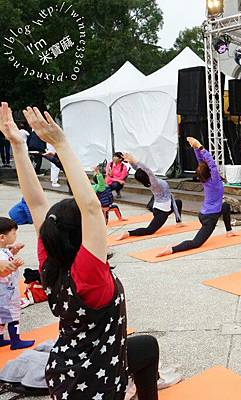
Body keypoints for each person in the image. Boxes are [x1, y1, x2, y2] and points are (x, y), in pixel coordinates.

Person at [0, 102, 160, 399]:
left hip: (66, 367)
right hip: (95, 383)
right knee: (145, 349)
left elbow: (35, 203)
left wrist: (18, 145)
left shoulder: (51, 261)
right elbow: (90, 207)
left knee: (147, 347)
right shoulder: (89, 275)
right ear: (82, 237)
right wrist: (60, 143)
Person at [157, 137, 238, 257]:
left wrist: (195, 148)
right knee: (196, 243)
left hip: (204, 214)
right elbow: (211, 163)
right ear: (209, 171)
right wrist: (200, 146)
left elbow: (202, 162)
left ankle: (229, 231)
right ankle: (172, 249)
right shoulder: (214, 180)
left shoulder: (205, 179)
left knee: (225, 206)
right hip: (210, 218)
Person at [115, 153, 183, 241]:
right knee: (150, 230)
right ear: (147, 175)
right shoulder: (154, 183)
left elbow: (139, 169)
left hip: (163, 206)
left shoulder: (148, 181)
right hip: (162, 211)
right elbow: (146, 169)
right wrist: (134, 159)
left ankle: (179, 222)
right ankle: (128, 233)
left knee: (178, 202)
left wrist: (130, 162)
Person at [0, 217, 34, 350]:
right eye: (13, 233)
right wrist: (14, 265)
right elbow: (3, 271)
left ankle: (1, 338)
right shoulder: (1, 256)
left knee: (2, 315)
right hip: (7, 290)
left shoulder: (3, 250)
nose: (15, 236)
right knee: (13, 314)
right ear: (3, 237)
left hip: (5, 290)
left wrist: (14, 251)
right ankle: (16, 340)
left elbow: (7, 256)